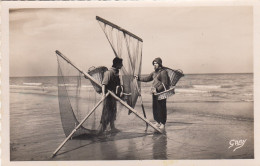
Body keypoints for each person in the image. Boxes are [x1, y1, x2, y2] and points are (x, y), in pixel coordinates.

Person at [136, 57, 170, 131]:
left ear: (160, 64)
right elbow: (147, 78)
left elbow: (165, 83)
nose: (154, 65)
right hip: (154, 93)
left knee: (162, 108)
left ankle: (163, 123)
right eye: (154, 63)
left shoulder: (163, 72)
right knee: (155, 108)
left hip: (161, 93)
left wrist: (157, 89)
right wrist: (138, 78)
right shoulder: (154, 73)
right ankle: (157, 122)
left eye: (156, 63)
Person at [98, 57, 123, 134]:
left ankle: (112, 127)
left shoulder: (116, 72)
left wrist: (121, 91)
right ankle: (103, 129)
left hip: (113, 96)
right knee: (106, 112)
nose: (122, 65)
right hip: (108, 96)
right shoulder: (109, 72)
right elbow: (104, 84)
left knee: (113, 111)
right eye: (121, 64)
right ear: (117, 64)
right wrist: (103, 95)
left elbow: (118, 84)